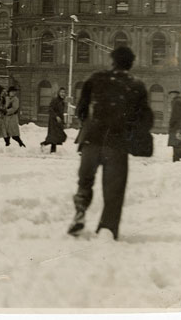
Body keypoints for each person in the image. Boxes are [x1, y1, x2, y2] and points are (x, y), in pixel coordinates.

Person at [68, 46, 150, 240]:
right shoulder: (136, 85)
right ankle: (107, 228)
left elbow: (81, 109)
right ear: (131, 63)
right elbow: (145, 119)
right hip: (117, 143)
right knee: (114, 189)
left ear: (112, 61)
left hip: (92, 139)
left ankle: (80, 209)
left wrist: (90, 123)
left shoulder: (96, 78)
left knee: (85, 181)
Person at [41, 88, 68, 153]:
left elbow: (61, 113)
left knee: (60, 136)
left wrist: (63, 122)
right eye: (61, 92)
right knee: (54, 137)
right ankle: (52, 151)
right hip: (53, 121)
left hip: (58, 122)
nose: (62, 94)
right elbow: (50, 109)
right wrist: (56, 116)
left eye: (64, 92)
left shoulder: (62, 102)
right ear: (58, 93)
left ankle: (44, 144)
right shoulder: (55, 100)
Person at [166, 91, 181, 162]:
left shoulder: (176, 102)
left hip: (176, 127)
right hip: (179, 126)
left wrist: (172, 124)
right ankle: (179, 157)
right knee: (178, 142)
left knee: (176, 143)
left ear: (175, 95)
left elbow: (175, 115)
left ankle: (176, 159)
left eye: (171, 94)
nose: (170, 96)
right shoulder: (180, 101)